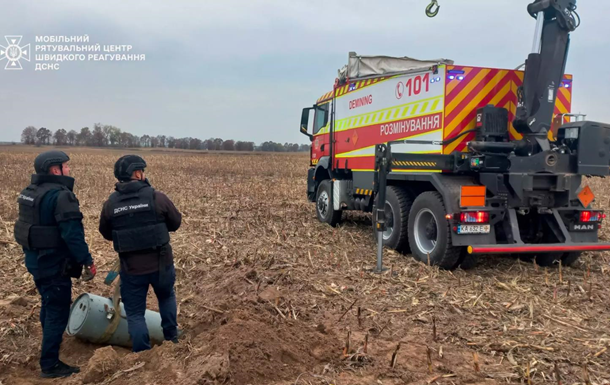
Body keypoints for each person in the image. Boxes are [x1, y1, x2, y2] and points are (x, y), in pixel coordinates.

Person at [14, 150, 96, 378]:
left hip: (35, 262)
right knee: (58, 312)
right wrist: (87, 261)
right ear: (55, 169)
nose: (69, 169)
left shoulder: (30, 193)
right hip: (53, 264)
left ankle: (49, 346)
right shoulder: (61, 196)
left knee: (48, 304)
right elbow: (72, 234)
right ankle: (50, 364)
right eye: (66, 166)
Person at [98, 155, 182, 352]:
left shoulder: (110, 204)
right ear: (137, 173)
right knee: (166, 297)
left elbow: (106, 232)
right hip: (161, 264)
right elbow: (175, 223)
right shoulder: (157, 198)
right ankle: (172, 340)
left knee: (135, 313)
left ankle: (141, 353)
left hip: (131, 268)